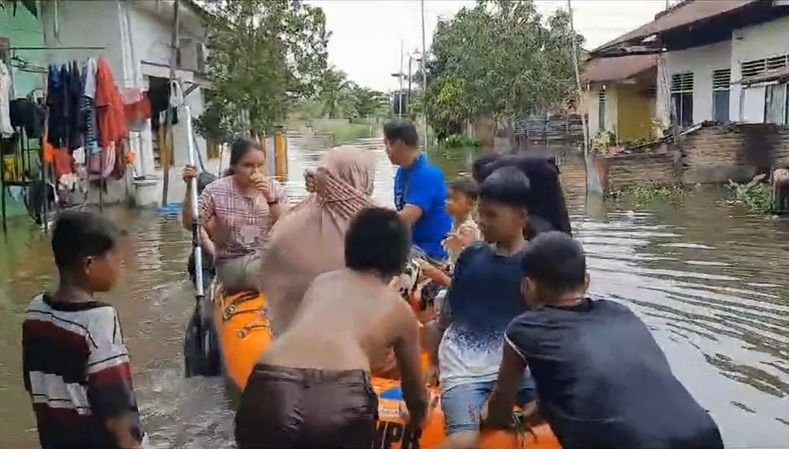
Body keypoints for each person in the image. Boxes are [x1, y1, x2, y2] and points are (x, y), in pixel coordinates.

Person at [483, 231, 724, 449]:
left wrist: (485, 421)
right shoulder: (621, 313)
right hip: (703, 433)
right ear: (586, 281)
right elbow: (587, 385)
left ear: (527, 286)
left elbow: (499, 410)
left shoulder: (524, 328)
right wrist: (527, 416)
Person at [235, 208, 429, 449]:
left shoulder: (322, 283)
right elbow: (415, 392)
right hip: (338, 397)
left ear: (349, 248)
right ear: (400, 258)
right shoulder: (400, 311)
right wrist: (418, 418)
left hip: (271, 382)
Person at [427, 166, 537, 449]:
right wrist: (434, 363)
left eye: (491, 216)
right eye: (480, 214)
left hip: (517, 370)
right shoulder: (471, 257)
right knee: (465, 438)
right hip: (465, 368)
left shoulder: (537, 265)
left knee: (558, 410)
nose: (482, 222)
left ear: (521, 218)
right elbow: (447, 315)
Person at [22, 211, 144, 449]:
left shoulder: (34, 312)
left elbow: (32, 383)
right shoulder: (99, 320)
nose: (119, 267)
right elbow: (118, 413)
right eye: (114, 258)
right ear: (89, 264)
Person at [260, 145, 376, 336]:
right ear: (362, 177)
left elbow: (270, 265)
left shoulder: (292, 219)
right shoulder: (375, 224)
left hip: (292, 333)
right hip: (352, 337)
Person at [182, 137, 286, 293]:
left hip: (266, 260)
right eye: (248, 166)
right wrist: (190, 187)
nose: (255, 172)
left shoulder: (274, 188)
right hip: (232, 262)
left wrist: (271, 199)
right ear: (234, 166)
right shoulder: (215, 190)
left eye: (260, 166)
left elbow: (287, 225)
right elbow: (191, 224)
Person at [386, 119, 453, 261]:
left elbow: (405, 219)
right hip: (412, 247)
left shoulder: (427, 174)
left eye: (388, 144)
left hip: (430, 253)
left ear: (399, 144)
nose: (386, 149)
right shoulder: (402, 172)